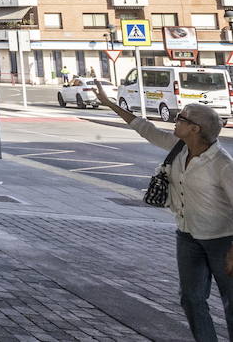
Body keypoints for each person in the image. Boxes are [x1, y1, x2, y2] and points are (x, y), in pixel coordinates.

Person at [95, 82, 233, 341]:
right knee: (191, 299)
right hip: (188, 237)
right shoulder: (179, 148)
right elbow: (145, 128)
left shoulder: (223, 165)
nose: (175, 119)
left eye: (182, 117)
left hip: (222, 241)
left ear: (195, 128)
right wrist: (110, 104)